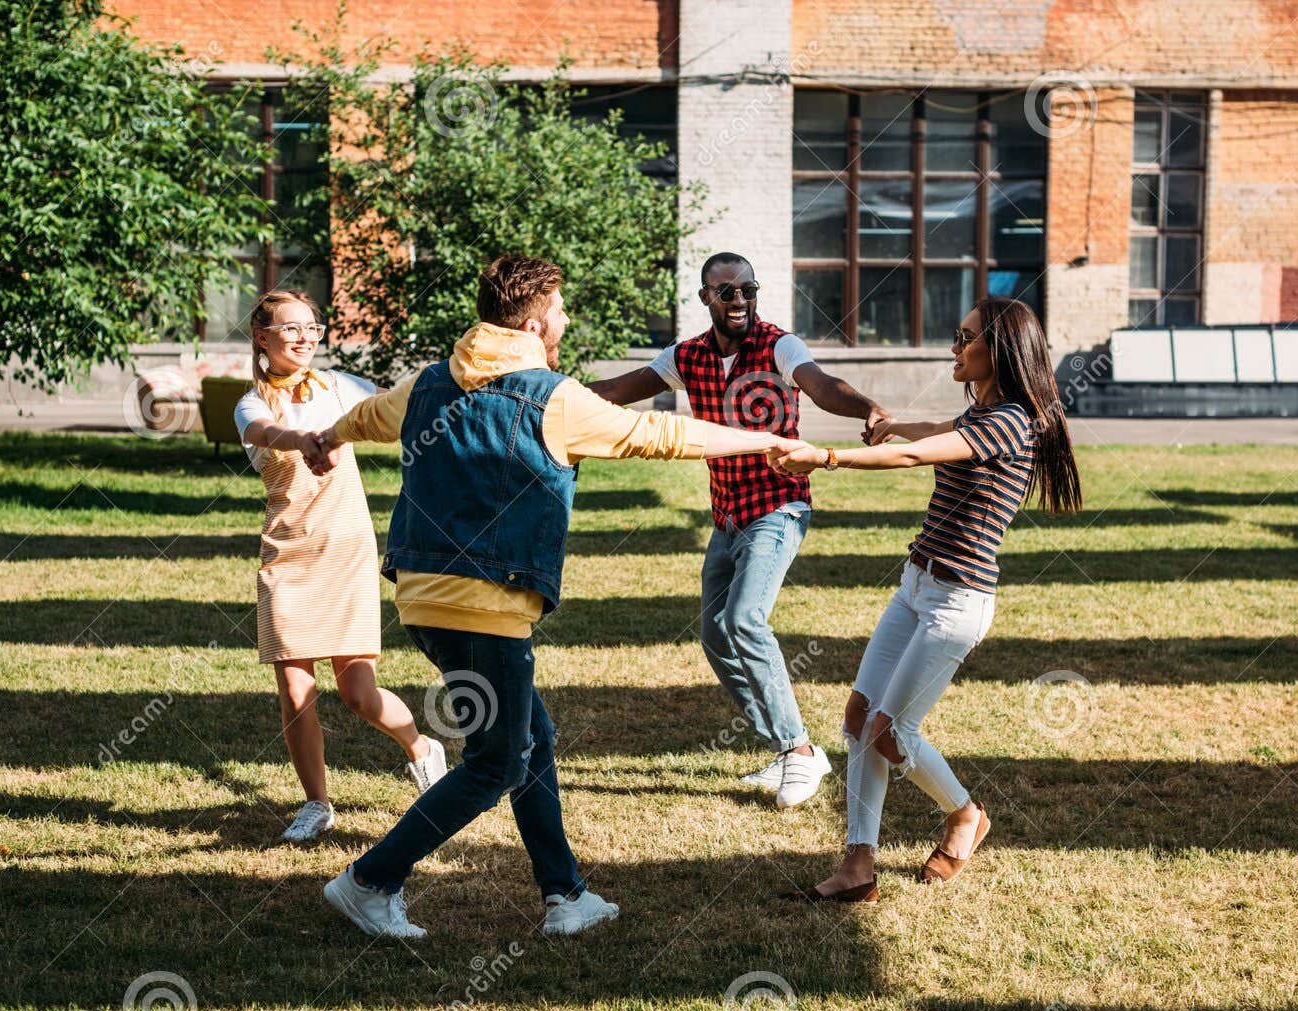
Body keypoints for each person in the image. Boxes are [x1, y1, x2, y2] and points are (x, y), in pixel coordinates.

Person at [304, 256, 806, 938]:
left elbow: (367, 417)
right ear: (535, 322)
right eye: (562, 312)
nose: (567, 322)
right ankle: (371, 881)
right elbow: (660, 434)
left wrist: (325, 439)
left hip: (421, 599)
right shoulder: (553, 397)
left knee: (531, 739)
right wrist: (766, 442)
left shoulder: (428, 382)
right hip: (487, 605)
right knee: (496, 761)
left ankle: (565, 896)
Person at [769, 297, 1082, 899]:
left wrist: (826, 457)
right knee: (860, 717)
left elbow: (917, 455)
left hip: (958, 601)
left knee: (891, 732)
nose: (954, 347)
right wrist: (893, 425)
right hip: (917, 585)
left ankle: (966, 815)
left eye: (966, 338)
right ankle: (858, 867)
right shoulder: (980, 417)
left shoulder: (1011, 421)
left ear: (1000, 350)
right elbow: (934, 435)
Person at [590, 252, 890, 808]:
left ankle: (799, 752)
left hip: (778, 508)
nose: (739, 300)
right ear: (705, 298)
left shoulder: (779, 345)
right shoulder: (686, 357)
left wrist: (866, 407)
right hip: (726, 515)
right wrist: (550, 394)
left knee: (745, 618)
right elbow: (619, 390)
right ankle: (785, 747)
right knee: (715, 634)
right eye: (725, 291)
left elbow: (822, 385)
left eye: (747, 289)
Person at [232, 290, 446, 844]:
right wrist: (304, 438)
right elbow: (265, 433)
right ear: (262, 337)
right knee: (296, 688)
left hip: (347, 547)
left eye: (312, 327)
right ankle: (316, 803)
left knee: (357, 693)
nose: (305, 338)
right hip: (288, 553)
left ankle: (422, 748)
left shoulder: (337, 385)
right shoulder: (250, 402)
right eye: (290, 329)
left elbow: (392, 409)